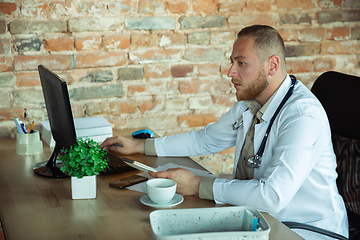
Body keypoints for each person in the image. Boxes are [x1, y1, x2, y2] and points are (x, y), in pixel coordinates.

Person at [102, 25, 348, 239]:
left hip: (301, 230)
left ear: (272, 65)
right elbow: (206, 140)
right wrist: (142, 146)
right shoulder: (249, 104)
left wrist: (199, 184)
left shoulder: (302, 116)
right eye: (233, 62)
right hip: (255, 219)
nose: (230, 72)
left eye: (241, 63)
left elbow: (272, 196)